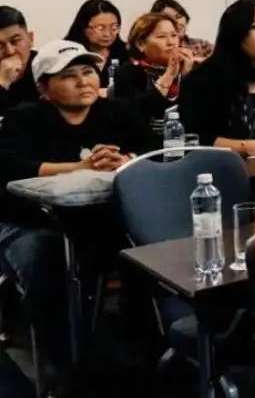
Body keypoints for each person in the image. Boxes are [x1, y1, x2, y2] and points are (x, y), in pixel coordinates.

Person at [0, 40, 155, 385]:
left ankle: (145, 349)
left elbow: (152, 152)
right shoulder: (24, 118)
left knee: (145, 247)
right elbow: (12, 168)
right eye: (69, 76)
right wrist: (80, 166)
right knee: (46, 258)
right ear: (44, 88)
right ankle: (62, 366)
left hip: (100, 217)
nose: (84, 81)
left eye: (88, 72)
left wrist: (126, 161)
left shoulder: (116, 112)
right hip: (29, 222)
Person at [178, 0, 255, 155]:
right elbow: (195, 137)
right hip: (222, 169)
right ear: (236, 34)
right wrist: (246, 147)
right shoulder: (205, 79)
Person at [113, 12, 196, 121]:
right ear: (141, 44)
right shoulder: (127, 72)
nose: (171, 42)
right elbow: (138, 114)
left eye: (174, 35)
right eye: (161, 37)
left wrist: (188, 77)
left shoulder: (191, 68)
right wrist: (169, 75)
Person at [63, 0, 127, 88]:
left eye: (114, 27)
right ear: (83, 27)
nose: (107, 34)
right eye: (100, 28)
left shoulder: (127, 53)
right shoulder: (67, 54)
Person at [150, 0, 215, 61]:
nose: (177, 22)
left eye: (178, 16)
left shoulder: (201, 45)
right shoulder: (154, 50)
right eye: (169, 19)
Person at [0, 5, 37, 115]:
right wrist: (2, 83)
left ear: (30, 38)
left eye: (15, 41)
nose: (10, 51)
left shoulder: (50, 69)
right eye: (0, 45)